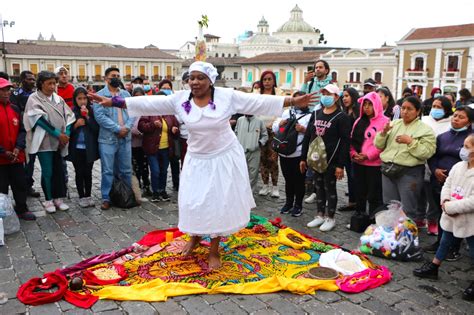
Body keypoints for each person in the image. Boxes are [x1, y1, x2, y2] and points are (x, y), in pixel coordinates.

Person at [88, 61, 316, 269]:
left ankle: (214, 249)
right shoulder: (180, 99)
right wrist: (115, 101)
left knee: (217, 203)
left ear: (210, 80)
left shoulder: (227, 96)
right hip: (197, 159)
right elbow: (150, 102)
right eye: (191, 78)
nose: (194, 82)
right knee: (192, 201)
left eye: (200, 78)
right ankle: (195, 236)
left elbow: (257, 101)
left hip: (223, 157)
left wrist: (293, 101)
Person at [413, 134, 474, 302]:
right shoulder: (459, 167)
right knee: (445, 240)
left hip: (469, 219)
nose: (463, 150)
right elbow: (447, 185)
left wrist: (452, 207)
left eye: (467, 147)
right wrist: (445, 201)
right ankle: (434, 266)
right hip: (450, 212)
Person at [374, 96, 436, 222]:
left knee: (408, 209)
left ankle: (407, 238)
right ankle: (390, 236)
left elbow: (427, 153)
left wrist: (411, 142)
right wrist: (383, 133)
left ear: (418, 111)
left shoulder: (426, 130)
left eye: (409, 109)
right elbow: (378, 145)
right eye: (403, 108)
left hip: (409, 173)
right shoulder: (394, 123)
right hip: (388, 170)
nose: (405, 112)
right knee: (390, 206)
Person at [425, 106, 473, 259]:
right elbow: (433, 156)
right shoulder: (443, 136)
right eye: (455, 115)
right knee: (442, 212)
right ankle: (440, 242)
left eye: (461, 117)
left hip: (461, 184)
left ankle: (454, 247)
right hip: (438, 180)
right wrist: (435, 170)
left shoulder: (470, 140)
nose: (456, 119)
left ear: (470, 121)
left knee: (458, 215)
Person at [301, 84, 351, 232]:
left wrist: (340, 165)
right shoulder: (316, 114)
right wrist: (303, 158)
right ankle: (319, 215)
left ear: (336, 97)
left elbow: (345, 142)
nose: (325, 96)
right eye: (323, 93)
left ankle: (330, 217)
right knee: (318, 187)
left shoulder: (342, 117)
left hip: (331, 160)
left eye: (328, 93)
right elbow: (308, 137)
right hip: (316, 159)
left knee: (330, 188)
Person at [23, 71, 75, 213]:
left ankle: (58, 197)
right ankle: (48, 199)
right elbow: (38, 119)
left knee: (59, 170)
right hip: (44, 142)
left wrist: (67, 134)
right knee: (48, 171)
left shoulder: (58, 99)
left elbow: (70, 116)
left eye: (54, 83)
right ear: (41, 84)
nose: (53, 86)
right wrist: (58, 134)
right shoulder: (34, 99)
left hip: (60, 142)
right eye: (49, 83)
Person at [94, 67, 134, 210]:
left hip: (126, 137)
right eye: (113, 76)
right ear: (106, 79)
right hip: (108, 139)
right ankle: (107, 197)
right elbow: (100, 117)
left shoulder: (126, 94)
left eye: (118, 75)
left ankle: (127, 196)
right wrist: (117, 129)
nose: (116, 77)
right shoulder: (99, 95)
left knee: (126, 170)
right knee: (107, 170)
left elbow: (133, 112)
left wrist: (127, 128)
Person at [0, 78, 36, 221]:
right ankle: (2, 214)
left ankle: (21, 209)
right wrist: (3, 152)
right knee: (1, 188)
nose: (6, 93)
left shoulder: (14, 108)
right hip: (1, 159)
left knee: (20, 183)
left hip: (16, 156)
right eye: (2, 90)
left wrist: (18, 147)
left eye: (7, 89)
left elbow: (22, 130)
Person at [350, 92, 389, 218]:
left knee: (374, 194)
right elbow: (352, 140)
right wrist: (353, 154)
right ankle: (359, 216)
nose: (366, 107)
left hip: (374, 164)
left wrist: (368, 155)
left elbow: (382, 145)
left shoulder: (385, 121)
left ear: (376, 104)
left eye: (370, 104)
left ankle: (374, 218)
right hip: (358, 162)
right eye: (365, 104)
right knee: (359, 191)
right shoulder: (359, 121)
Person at [273, 91, 311, 217]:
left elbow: (314, 134)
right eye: (296, 99)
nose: (299, 101)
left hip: (299, 154)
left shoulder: (310, 116)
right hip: (284, 153)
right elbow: (274, 127)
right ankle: (288, 203)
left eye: (301, 99)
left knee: (299, 181)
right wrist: (280, 124)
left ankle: (298, 205)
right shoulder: (286, 112)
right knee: (288, 180)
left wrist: (304, 130)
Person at [420, 96, 454, 232]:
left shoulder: (451, 123)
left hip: (438, 164)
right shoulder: (424, 120)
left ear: (446, 109)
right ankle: (419, 217)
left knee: (433, 196)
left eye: (439, 107)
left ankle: (433, 220)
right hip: (422, 161)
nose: (435, 109)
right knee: (419, 192)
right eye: (434, 106)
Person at [138, 91, 179, 202]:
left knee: (164, 171)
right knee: (155, 171)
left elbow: (175, 126)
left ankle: (162, 191)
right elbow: (141, 126)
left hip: (166, 148)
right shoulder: (148, 112)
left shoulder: (169, 113)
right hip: (152, 148)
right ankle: (155, 192)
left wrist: (174, 130)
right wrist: (152, 125)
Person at [66, 87, 99, 208]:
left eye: (84, 98)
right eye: (79, 98)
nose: (82, 101)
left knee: (88, 173)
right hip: (76, 148)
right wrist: (76, 125)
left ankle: (88, 195)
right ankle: (81, 196)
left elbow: (96, 129)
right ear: (75, 100)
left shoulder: (92, 111)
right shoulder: (71, 112)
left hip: (89, 148)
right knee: (79, 172)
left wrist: (88, 118)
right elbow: (67, 130)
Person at [10, 70, 40, 198]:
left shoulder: (36, 95)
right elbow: (14, 112)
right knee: (20, 161)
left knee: (31, 160)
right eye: (30, 79)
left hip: (34, 131)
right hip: (20, 132)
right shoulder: (15, 94)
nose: (33, 81)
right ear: (22, 80)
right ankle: (20, 186)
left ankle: (28, 185)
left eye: (34, 79)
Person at [257, 70, 282, 198]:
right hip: (259, 131)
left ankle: (275, 186)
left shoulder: (279, 94)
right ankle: (265, 185)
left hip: (273, 130)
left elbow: (282, 112)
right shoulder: (256, 94)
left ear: (274, 81)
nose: (267, 82)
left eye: (269, 79)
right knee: (262, 159)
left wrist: (273, 123)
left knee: (273, 159)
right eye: (264, 79)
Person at [337, 87, 360, 212]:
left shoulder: (358, 112)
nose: (344, 98)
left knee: (354, 176)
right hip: (345, 147)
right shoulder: (344, 112)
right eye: (343, 96)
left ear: (353, 96)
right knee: (350, 177)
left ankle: (358, 201)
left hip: (356, 148)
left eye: (347, 96)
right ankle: (352, 201)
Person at [235, 110, 268, 193]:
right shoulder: (240, 120)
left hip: (254, 151)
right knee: (240, 173)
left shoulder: (259, 121)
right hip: (241, 151)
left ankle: (250, 193)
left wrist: (259, 143)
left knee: (253, 173)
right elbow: (235, 133)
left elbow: (265, 135)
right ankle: (240, 193)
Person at [130, 87, 152, 197]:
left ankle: (147, 186)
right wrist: (138, 131)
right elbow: (130, 126)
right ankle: (137, 187)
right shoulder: (130, 110)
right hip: (133, 144)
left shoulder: (146, 110)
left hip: (144, 143)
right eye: (136, 97)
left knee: (144, 166)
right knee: (135, 167)